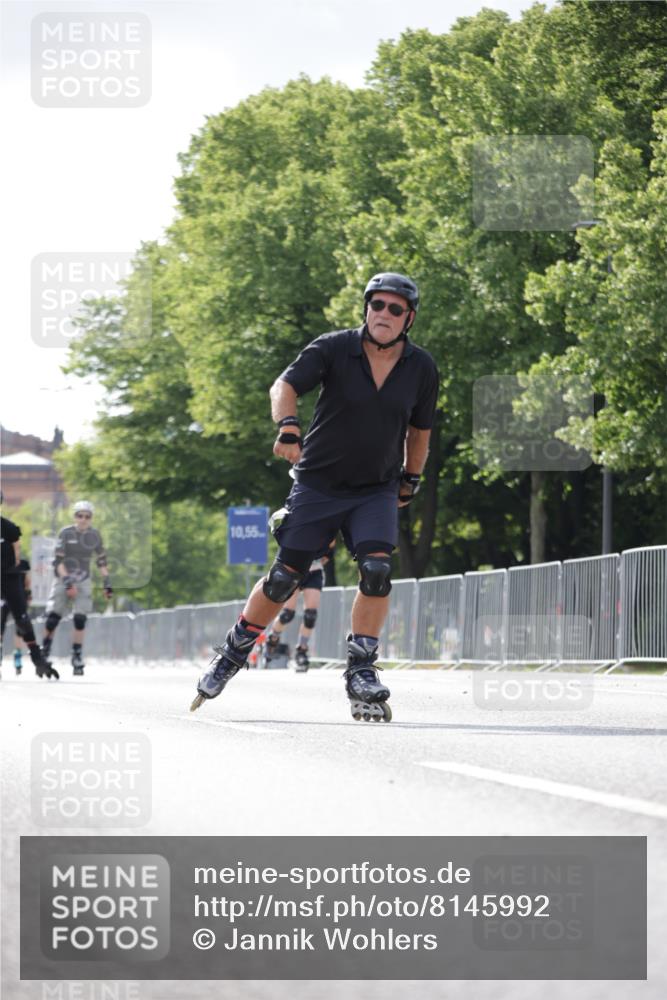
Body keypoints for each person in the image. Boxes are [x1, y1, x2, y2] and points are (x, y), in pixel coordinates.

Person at [190, 271, 438, 722]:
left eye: (394, 309)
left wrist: (412, 478)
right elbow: (283, 385)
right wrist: (288, 425)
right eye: (376, 305)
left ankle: (361, 668)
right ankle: (233, 651)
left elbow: (420, 429)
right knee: (285, 578)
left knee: (378, 569)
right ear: (366, 308)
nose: (383, 314)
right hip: (318, 483)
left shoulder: (422, 367)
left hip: (376, 488)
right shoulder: (333, 347)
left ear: (410, 318)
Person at [41, 500, 113, 675]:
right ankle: (44, 651)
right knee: (53, 618)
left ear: (91, 518)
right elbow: (58, 562)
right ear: (75, 516)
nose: (83, 519)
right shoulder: (65, 533)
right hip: (63, 577)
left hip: (83, 579)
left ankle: (77, 655)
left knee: (80, 619)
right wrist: (67, 583)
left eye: (87, 516)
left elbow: (101, 560)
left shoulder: (94, 535)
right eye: (80, 515)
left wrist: (107, 582)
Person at [1, 503, 55, 679]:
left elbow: (17, 550)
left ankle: (38, 659)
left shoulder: (7, 527)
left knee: (22, 619)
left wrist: (19, 571)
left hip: (9, 577)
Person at [263, 542, 335, 671]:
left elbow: (330, 548)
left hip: (314, 573)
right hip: (294, 569)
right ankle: (272, 637)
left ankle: (302, 651)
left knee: (310, 616)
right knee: (287, 615)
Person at [0, 557, 32, 673]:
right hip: (8, 599)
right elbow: (28, 583)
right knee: (11, 628)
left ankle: (17, 657)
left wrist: (28, 595)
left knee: (19, 629)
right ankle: (17, 658)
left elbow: (27, 582)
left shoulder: (22, 563)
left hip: (16, 598)